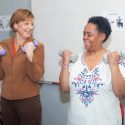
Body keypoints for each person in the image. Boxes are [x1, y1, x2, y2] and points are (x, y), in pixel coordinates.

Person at [59, 16, 125, 125]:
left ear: (102, 36)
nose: (85, 37)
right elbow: (64, 88)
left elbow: (121, 92)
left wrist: (113, 65)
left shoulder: (115, 60)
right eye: (84, 33)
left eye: (89, 34)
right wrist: (65, 63)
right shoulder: (75, 60)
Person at [0, 9, 44, 125]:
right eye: (26, 23)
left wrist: (30, 56)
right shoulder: (3, 45)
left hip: (28, 101)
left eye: (32, 24)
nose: (30, 27)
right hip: (6, 101)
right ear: (15, 25)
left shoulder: (37, 47)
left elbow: (36, 77)